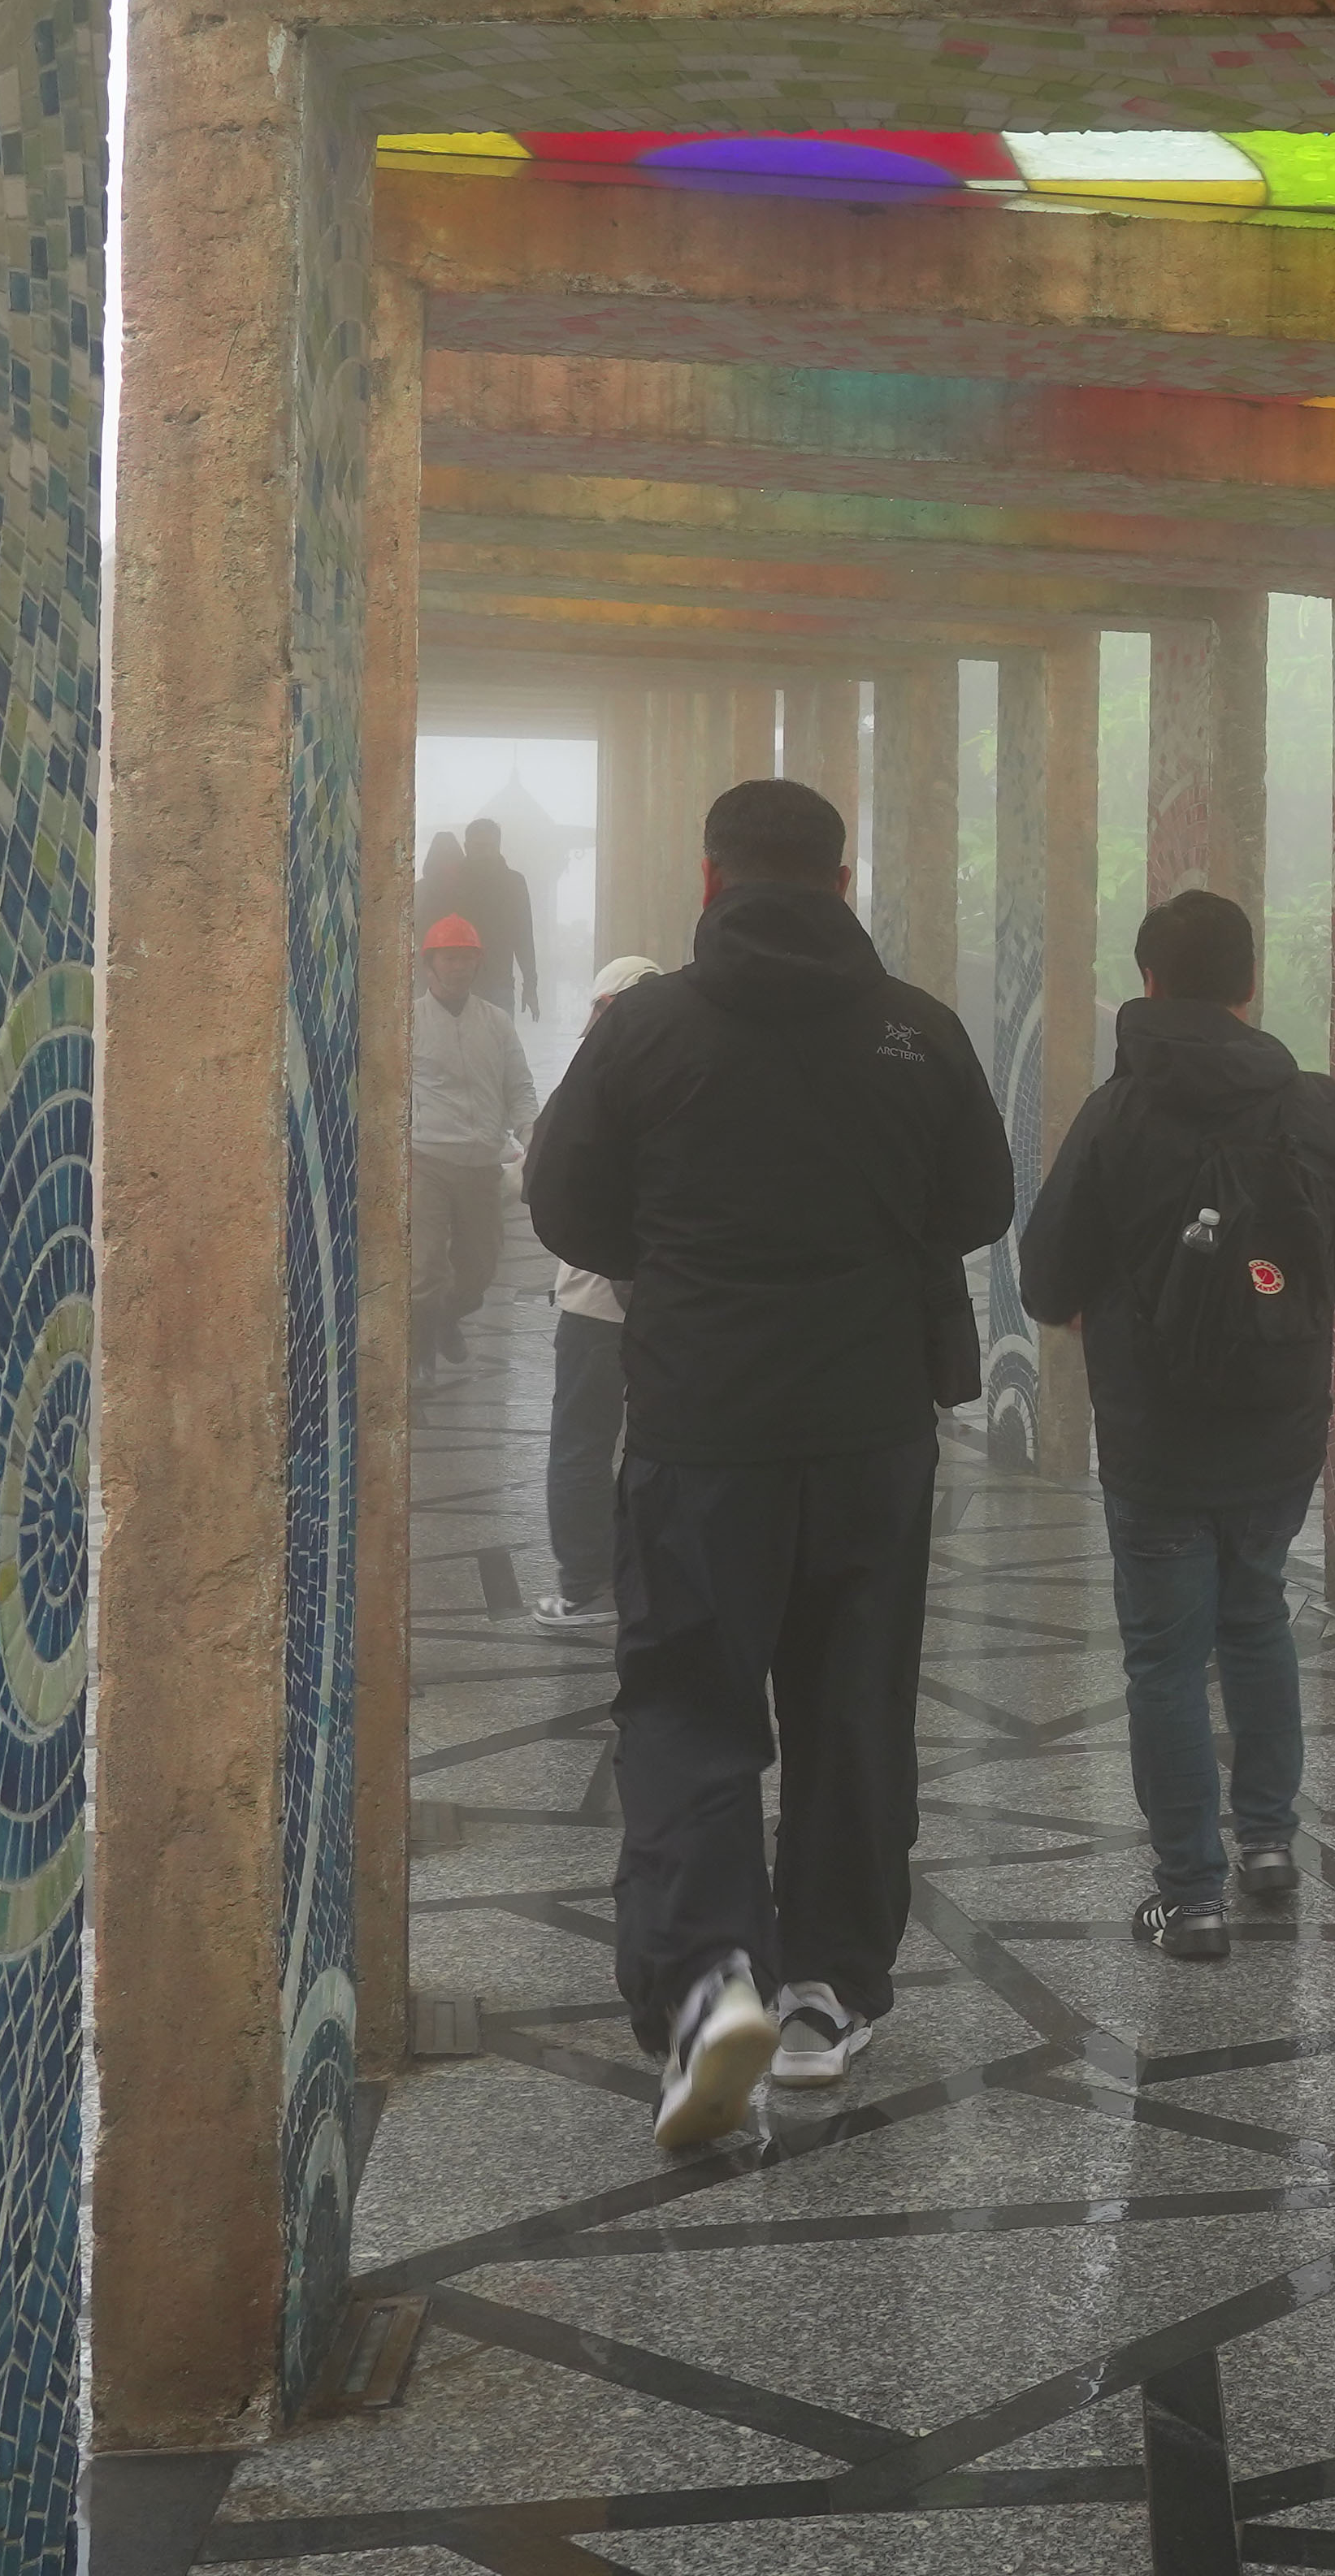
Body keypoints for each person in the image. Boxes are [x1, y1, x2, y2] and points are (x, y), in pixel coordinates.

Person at [522, 778, 1013, 2150]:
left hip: (702, 1431)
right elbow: (980, 1200)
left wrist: (682, 1266)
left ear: (710, 879)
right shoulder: (918, 1029)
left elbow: (562, 1197)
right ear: (842, 882)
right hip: (870, 1433)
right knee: (854, 1706)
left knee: (689, 1703)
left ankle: (707, 1987)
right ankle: (825, 1995)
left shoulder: (648, 1030)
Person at [1016, 888, 1335, 1965]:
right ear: (1250, 984)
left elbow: (1046, 1277)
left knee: (1166, 1659)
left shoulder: (1117, 1113)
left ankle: (1191, 1896)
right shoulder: (1318, 1109)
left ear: (1149, 981)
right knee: (1257, 1616)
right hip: (1277, 1427)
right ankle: (1266, 1839)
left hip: (1156, 1436)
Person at [529, 954, 658, 1630]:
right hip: (663, 1306)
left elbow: (542, 1182)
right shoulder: (680, 1080)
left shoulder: (587, 1086)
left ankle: (585, 1585)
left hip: (594, 1308)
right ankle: (637, 1577)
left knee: (581, 1442)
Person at [408, 911, 535, 1373]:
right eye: (449, 958)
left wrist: (532, 1137)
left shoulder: (496, 1023)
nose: (459, 967)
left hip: (483, 1165)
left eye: (467, 958)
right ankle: (419, 1356)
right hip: (427, 1161)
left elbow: (519, 1087)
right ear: (429, 964)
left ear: (478, 963)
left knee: (478, 1272)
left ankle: (447, 1318)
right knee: (425, 1268)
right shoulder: (409, 1021)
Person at [455, 814, 543, 1018]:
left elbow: (523, 936)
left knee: (500, 1038)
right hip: (457, 984)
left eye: (489, 847)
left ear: (498, 846)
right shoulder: (453, 882)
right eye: (479, 847)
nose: (484, 853)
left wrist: (530, 986)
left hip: (500, 984)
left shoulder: (513, 883)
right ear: (467, 847)